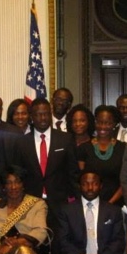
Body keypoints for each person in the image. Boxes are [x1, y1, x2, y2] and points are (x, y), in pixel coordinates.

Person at [14, 98, 79, 233]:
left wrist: (75, 202)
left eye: (46, 113)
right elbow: (18, 175)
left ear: (50, 115)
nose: (42, 118)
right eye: (38, 114)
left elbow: (72, 173)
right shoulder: (21, 142)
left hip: (60, 202)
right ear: (32, 117)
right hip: (31, 202)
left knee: (59, 245)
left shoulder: (65, 139)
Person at [77, 105, 125, 205]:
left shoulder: (123, 148)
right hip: (89, 204)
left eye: (107, 123)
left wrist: (109, 204)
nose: (103, 127)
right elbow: (81, 180)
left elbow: (125, 182)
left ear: (114, 124)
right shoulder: (84, 148)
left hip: (115, 205)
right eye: (99, 122)